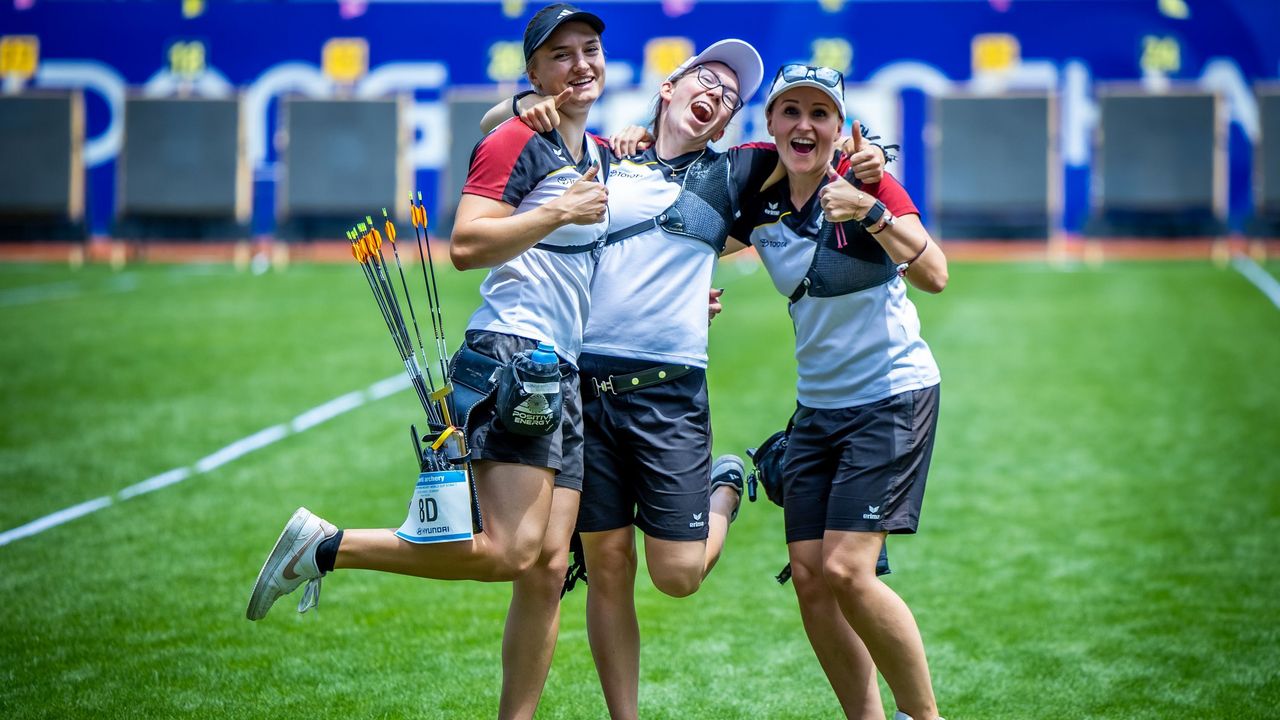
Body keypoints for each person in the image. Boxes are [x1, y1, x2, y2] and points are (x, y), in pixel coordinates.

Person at [489, 45, 887, 720]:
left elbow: (813, 145)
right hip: (587, 392)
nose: (718, 96)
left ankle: (726, 486)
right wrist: (529, 104)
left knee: (676, 576)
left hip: (670, 399)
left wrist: (869, 157)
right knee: (607, 565)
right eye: (707, 80)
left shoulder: (735, 172)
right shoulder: (603, 154)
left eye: (730, 98)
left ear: (730, 122)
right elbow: (501, 123)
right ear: (669, 87)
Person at [245, 12, 609, 715]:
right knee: (508, 552)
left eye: (590, 51)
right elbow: (466, 243)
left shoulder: (595, 150)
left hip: (560, 368)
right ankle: (326, 547)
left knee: (549, 568)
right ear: (533, 73)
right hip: (514, 356)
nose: (580, 65)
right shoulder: (517, 140)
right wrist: (556, 213)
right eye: (559, 56)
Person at [728, 64, 947, 720]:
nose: (804, 124)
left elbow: (934, 273)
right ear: (770, 123)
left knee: (848, 571)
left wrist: (870, 209)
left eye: (819, 113)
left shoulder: (867, 180)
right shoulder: (751, 186)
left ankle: (924, 716)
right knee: (811, 581)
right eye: (790, 111)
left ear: (841, 127)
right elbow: (679, 225)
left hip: (890, 398)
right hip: (818, 410)